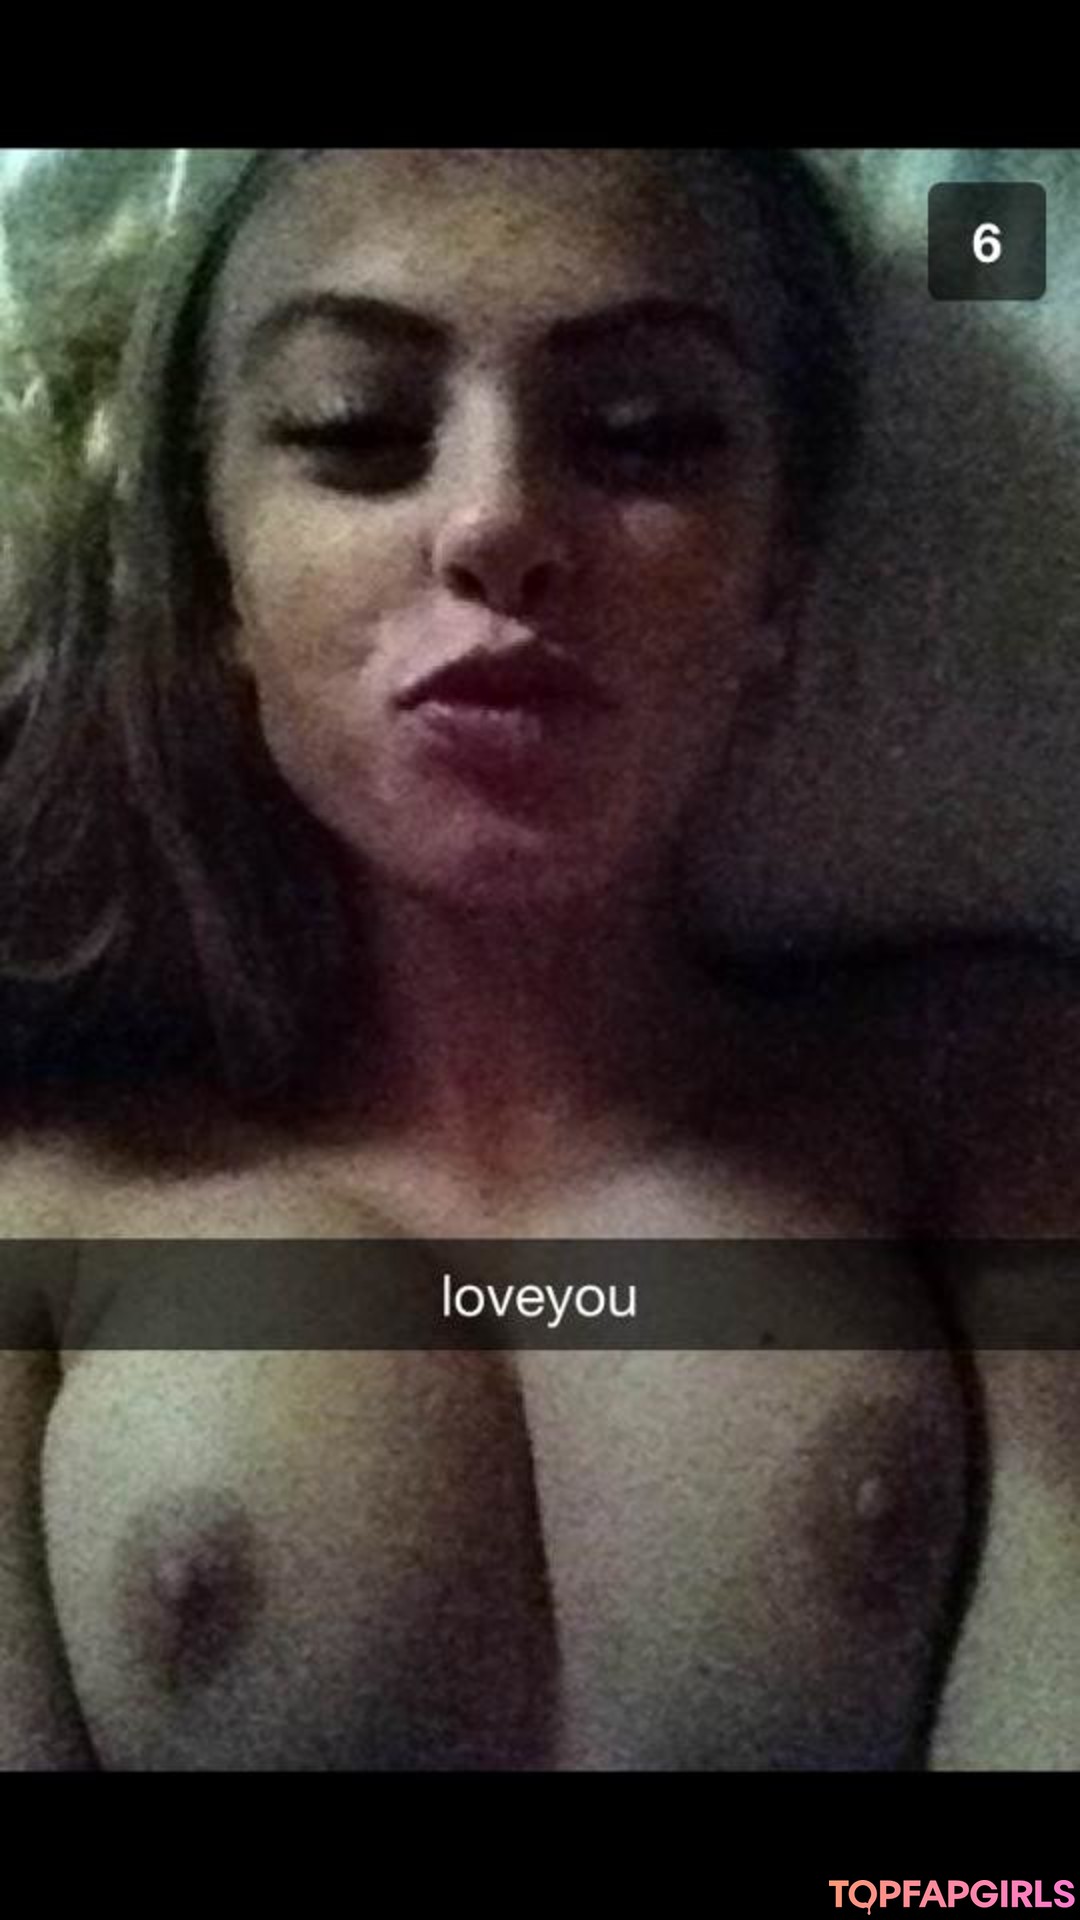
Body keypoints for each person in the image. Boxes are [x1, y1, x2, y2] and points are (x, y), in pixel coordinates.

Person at [0, 146, 1029, 1771]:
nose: (497, 523)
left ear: (780, 581)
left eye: (643, 433)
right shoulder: (42, 1222)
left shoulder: (996, 1112)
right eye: (355, 431)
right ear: (217, 591)